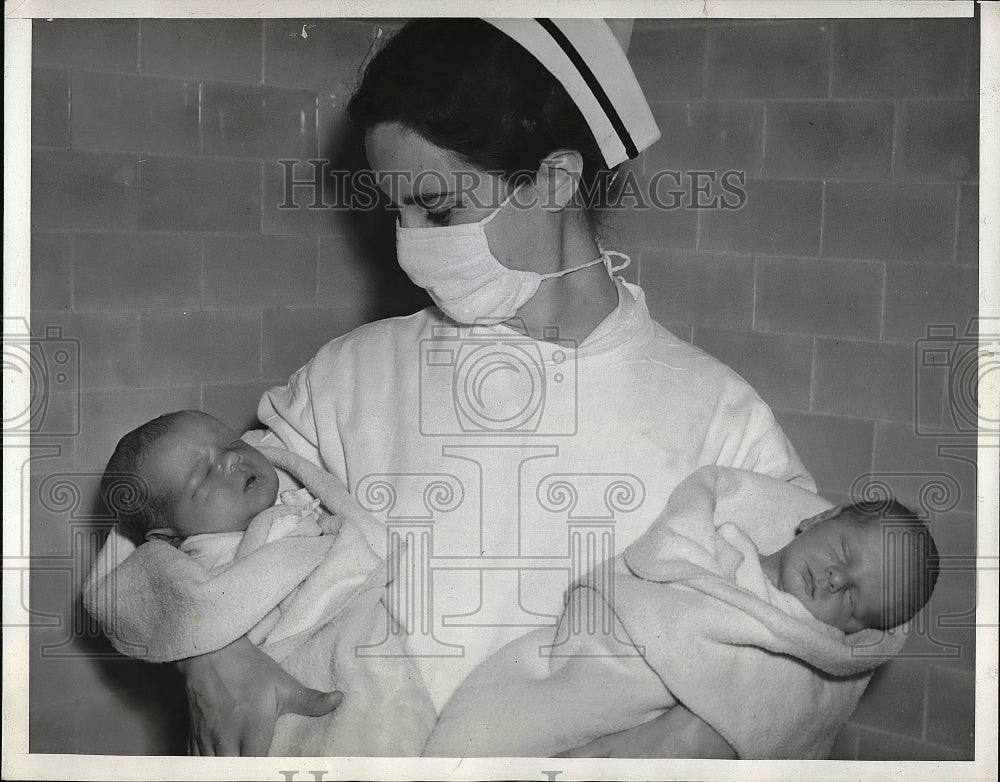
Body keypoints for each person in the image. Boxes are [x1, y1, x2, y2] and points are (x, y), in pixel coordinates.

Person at [106, 18, 819, 757]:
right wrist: (209, 653)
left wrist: (702, 738)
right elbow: (143, 528)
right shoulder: (348, 378)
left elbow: (839, 620)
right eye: (398, 211)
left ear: (554, 178)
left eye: (439, 209)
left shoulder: (716, 416)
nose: (412, 248)